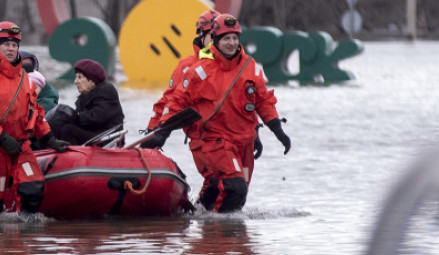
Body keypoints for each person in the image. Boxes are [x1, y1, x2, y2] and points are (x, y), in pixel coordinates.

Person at [145, 14, 291, 213]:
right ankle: (221, 232)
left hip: (244, 140)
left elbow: (261, 101)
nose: (231, 43)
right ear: (213, 39)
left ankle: (209, 227)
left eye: (235, 38)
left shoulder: (250, 67)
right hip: (214, 139)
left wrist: (275, 130)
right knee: (232, 187)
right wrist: (159, 131)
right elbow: (174, 101)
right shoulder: (198, 70)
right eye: (226, 39)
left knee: (237, 195)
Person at [0, 21, 69, 220]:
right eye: (6, 44)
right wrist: (1, 137)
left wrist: (49, 138)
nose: (11, 48)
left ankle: (25, 245)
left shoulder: (25, 78)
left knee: (33, 189)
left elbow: (35, 113)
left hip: (21, 147)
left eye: (14, 44)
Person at [50, 58, 125, 145]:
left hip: (108, 138)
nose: (75, 81)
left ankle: (73, 156)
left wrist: (72, 116)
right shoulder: (82, 98)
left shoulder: (107, 90)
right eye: (76, 77)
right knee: (61, 126)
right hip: (94, 135)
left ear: (92, 80)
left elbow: (97, 118)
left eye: (79, 77)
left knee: (68, 130)